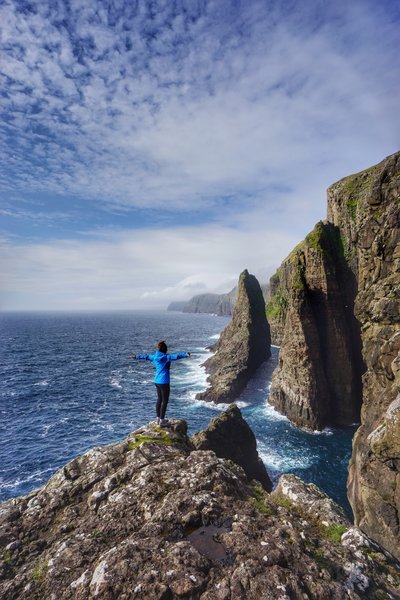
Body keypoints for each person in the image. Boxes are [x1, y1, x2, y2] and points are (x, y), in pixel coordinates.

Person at [129, 341, 190, 426]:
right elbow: (176, 356)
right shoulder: (166, 357)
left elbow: (145, 356)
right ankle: (162, 420)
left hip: (157, 381)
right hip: (164, 382)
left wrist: (136, 356)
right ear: (165, 350)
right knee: (165, 401)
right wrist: (186, 354)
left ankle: (158, 418)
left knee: (159, 399)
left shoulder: (154, 357)